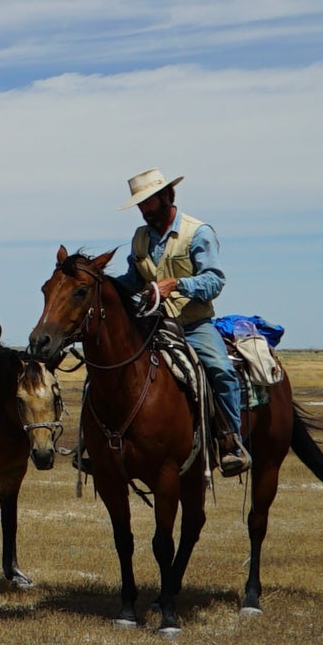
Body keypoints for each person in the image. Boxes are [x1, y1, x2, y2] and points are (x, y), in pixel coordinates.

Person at [112, 167, 250, 477]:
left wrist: (176, 285)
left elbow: (214, 281)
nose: (144, 211)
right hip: (151, 324)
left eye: (148, 202)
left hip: (193, 325)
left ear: (166, 196)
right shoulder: (140, 238)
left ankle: (230, 442)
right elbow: (135, 279)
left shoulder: (198, 232)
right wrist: (104, 286)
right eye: (140, 205)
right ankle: (96, 444)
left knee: (221, 370)